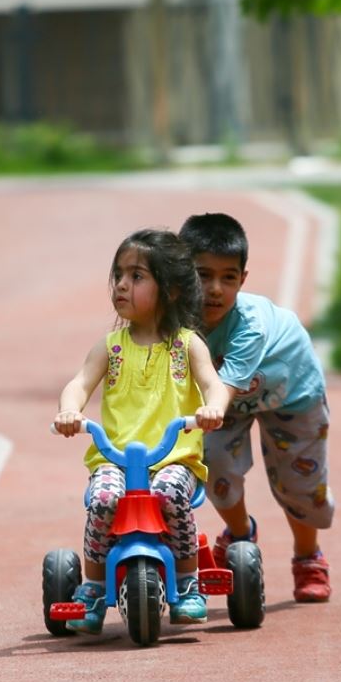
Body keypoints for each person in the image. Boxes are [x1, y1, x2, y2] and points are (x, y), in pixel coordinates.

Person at [54, 229, 230, 634]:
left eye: (136, 277)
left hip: (173, 458)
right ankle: (95, 587)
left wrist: (212, 409)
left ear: (168, 290)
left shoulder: (188, 345)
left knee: (168, 493)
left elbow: (213, 383)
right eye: (118, 275)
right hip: (115, 458)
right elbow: (80, 383)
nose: (121, 284)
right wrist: (69, 411)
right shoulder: (111, 346)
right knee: (102, 500)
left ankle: (187, 583)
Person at [177, 212, 334, 603]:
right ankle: (241, 536)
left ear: (243, 280)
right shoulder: (172, 319)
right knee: (210, 461)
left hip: (290, 394)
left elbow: (226, 386)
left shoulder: (250, 324)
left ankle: (307, 556)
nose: (214, 289)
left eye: (227, 278)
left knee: (299, 484)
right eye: (202, 275)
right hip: (223, 400)